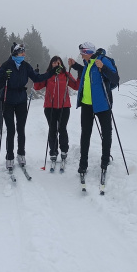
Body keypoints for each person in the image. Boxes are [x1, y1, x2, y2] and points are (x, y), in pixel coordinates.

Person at [0, 43, 51, 170]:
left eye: (24, 52)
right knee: (11, 130)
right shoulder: (6, 65)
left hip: (21, 100)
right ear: (14, 53)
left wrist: (50, 73)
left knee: (21, 129)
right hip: (7, 100)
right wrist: (3, 77)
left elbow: (37, 78)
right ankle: (9, 156)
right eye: (21, 52)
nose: (23, 54)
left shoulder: (25, 66)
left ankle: (21, 154)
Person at [68, 42, 119, 175]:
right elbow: (87, 71)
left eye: (82, 53)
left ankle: (105, 160)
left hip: (102, 105)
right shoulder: (87, 63)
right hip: (86, 105)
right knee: (85, 134)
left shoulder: (103, 61)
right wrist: (74, 65)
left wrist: (104, 68)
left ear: (88, 52)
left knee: (106, 133)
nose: (81, 55)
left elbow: (115, 78)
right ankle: (83, 163)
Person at [33, 56, 79, 167]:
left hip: (64, 107)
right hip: (50, 107)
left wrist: (80, 74)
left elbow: (76, 86)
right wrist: (36, 76)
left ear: (61, 64)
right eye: (54, 63)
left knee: (62, 129)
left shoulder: (66, 74)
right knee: (52, 129)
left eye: (58, 62)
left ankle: (64, 150)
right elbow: (38, 87)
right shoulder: (48, 74)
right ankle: (53, 152)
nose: (56, 64)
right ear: (51, 64)